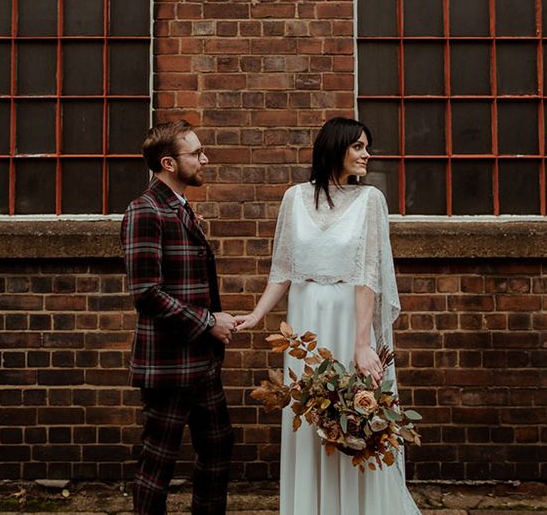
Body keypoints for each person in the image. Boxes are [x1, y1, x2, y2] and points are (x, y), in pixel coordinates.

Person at [235, 117, 420, 515]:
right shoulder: (294, 198)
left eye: (366, 146)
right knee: (310, 412)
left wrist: (362, 343)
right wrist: (255, 314)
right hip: (304, 319)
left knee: (354, 410)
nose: (366, 154)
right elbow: (282, 270)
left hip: (348, 315)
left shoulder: (371, 200)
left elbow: (367, 274)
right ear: (335, 148)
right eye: (357, 146)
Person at [122, 120, 237, 515]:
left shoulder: (181, 209)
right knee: (158, 463)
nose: (204, 159)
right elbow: (146, 293)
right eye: (196, 154)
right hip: (169, 364)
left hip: (202, 363)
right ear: (169, 162)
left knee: (219, 447)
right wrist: (210, 322)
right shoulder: (145, 211)